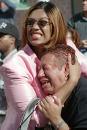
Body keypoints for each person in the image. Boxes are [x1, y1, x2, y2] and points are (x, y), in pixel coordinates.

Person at [0, 1, 86, 130]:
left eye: (42, 23)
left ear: (55, 26)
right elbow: (35, 118)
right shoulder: (14, 66)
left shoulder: (66, 46)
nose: (34, 27)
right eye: (30, 23)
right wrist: (71, 82)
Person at [38, 44, 87, 129]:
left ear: (66, 70)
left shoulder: (84, 94)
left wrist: (56, 120)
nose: (39, 74)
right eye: (39, 70)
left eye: (45, 68)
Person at [0, 21, 20, 127]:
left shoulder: (17, 62)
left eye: (1, 36)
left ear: (12, 40)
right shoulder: (6, 61)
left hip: (12, 120)